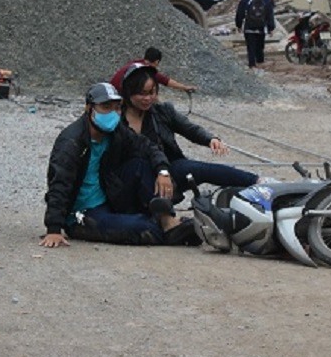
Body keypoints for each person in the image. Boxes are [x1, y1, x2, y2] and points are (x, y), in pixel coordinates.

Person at [40, 82, 199, 248]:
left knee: (139, 164)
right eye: (105, 107)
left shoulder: (115, 131)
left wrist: (163, 171)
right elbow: (59, 183)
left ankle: (168, 221)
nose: (113, 113)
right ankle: (172, 231)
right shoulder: (71, 141)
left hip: (109, 197)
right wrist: (54, 228)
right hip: (82, 213)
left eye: (117, 107)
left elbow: (147, 146)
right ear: (89, 108)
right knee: (143, 228)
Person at [118, 64, 258, 198]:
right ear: (129, 92)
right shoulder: (115, 120)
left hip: (168, 169)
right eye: (142, 94)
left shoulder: (163, 111)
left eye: (152, 92)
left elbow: (189, 129)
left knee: (197, 168)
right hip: (133, 177)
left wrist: (210, 139)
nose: (148, 98)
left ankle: (256, 182)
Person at [110, 46, 196, 93]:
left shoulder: (135, 63)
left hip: (111, 91)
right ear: (157, 61)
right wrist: (185, 87)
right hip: (119, 95)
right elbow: (166, 81)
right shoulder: (146, 70)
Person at [235, 0, 276, 69]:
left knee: (251, 48)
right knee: (260, 47)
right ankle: (260, 63)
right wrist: (271, 27)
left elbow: (240, 12)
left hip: (249, 27)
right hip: (261, 27)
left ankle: (252, 65)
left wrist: (239, 24)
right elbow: (269, 13)